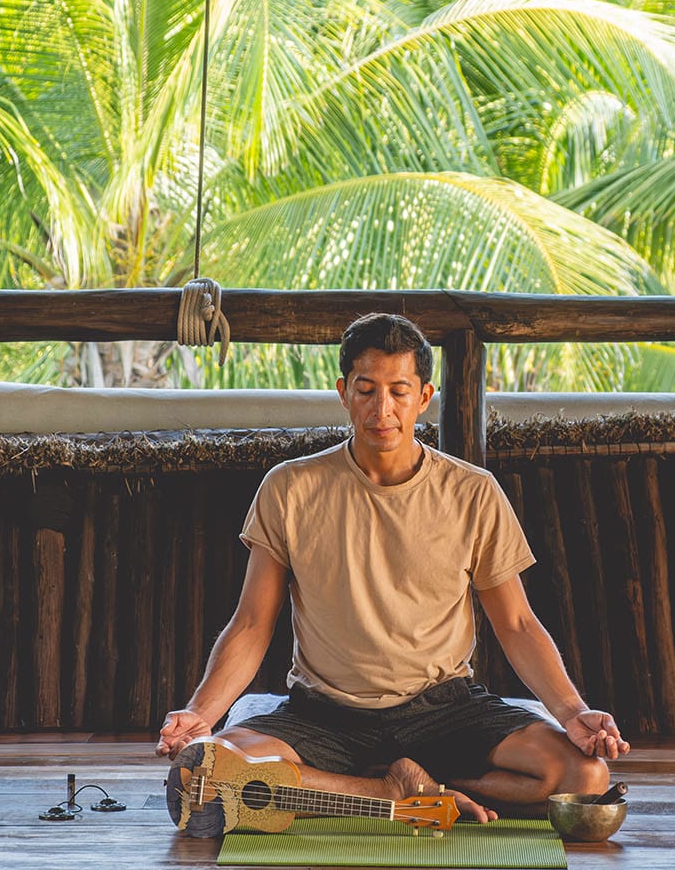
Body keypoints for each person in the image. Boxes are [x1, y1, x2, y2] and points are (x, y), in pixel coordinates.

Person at [156, 312, 626, 824]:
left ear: (424, 397)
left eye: (399, 391)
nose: (383, 409)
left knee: (585, 776)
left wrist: (574, 714)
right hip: (324, 715)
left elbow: (515, 624)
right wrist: (199, 715)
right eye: (366, 389)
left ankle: (427, 787)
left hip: (444, 712)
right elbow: (251, 624)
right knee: (203, 772)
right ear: (343, 392)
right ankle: (389, 791)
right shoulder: (289, 488)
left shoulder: (472, 492)